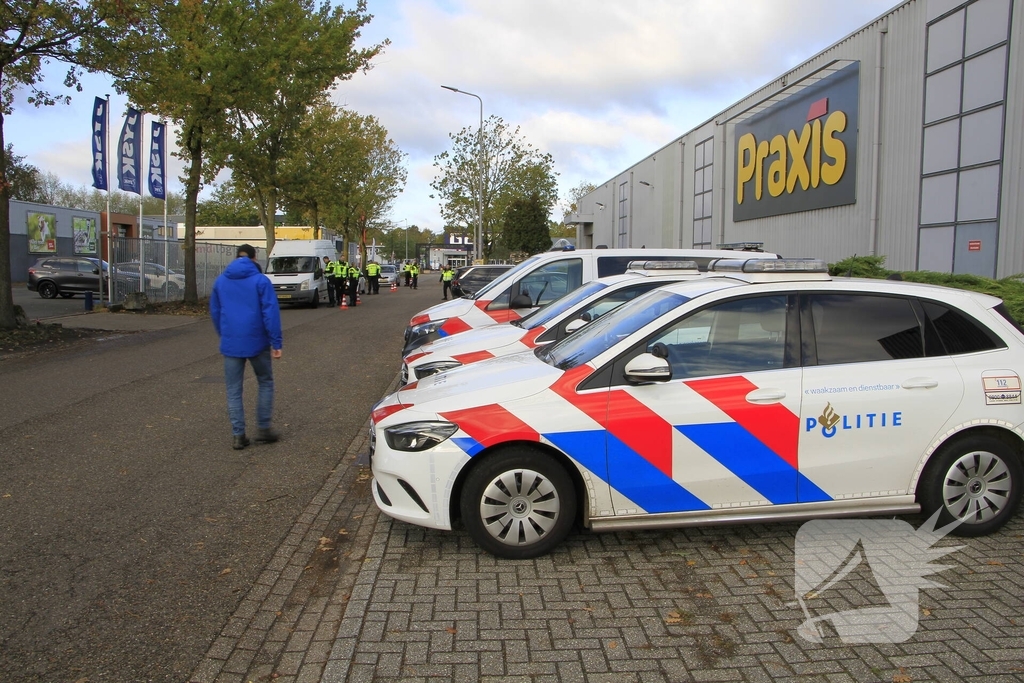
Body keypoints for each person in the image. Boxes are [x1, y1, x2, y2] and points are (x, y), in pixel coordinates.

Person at [210, 244, 283, 450]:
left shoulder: (221, 281)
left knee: (234, 390)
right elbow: (271, 313)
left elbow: (215, 312)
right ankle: (263, 429)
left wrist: (224, 334)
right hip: (257, 341)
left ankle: (238, 435)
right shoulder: (261, 281)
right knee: (265, 382)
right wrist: (276, 342)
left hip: (231, 341)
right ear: (253, 258)